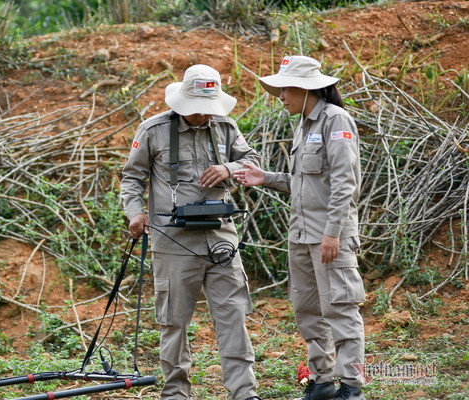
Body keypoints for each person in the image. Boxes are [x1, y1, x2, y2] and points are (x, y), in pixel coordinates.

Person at [120, 64, 262, 400]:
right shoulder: (153, 130)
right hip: (174, 242)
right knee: (173, 322)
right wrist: (135, 213)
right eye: (195, 107)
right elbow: (131, 178)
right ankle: (176, 393)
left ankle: (244, 392)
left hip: (222, 239)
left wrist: (229, 168)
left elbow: (252, 160)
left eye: (207, 107)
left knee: (233, 318)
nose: (201, 114)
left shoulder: (226, 127)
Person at [233, 55, 366, 400]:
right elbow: (306, 184)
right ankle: (321, 381)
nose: (280, 96)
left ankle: (351, 388)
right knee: (307, 309)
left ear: (306, 89)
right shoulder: (304, 125)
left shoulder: (336, 120)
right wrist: (267, 178)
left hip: (328, 236)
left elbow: (343, 184)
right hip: (302, 236)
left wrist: (332, 233)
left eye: (285, 89)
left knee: (340, 306)